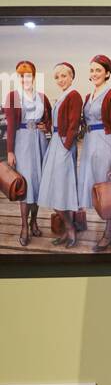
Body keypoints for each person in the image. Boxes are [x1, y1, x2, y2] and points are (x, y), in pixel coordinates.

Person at [77, 54, 111, 251]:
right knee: (93, 187)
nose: (94, 73)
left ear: (107, 73)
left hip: (104, 143)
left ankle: (107, 235)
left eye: (98, 70)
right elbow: (82, 121)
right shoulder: (88, 96)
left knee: (107, 191)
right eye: (92, 70)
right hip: (88, 143)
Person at [3, 60, 50, 247]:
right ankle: (24, 226)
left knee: (38, 184)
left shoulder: (42, 96)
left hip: (39, 142)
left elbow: (49, 119)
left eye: (28, 74)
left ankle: (34, 222)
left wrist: (45, 125)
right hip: (22, 142)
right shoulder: (13, 96)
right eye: (21, 75)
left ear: (34, 75)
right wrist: (10, 152)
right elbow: (11, 127)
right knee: (25, 185)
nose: (25, 78)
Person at [37, 62, 82, 248]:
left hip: (63, 145)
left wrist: (66, 145)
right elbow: (57, 124)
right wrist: (46, 127)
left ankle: (70, 230)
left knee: (62, 187)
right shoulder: (62, 96)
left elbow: (73, 124)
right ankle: (67, 228)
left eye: (64, 76)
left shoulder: (74, 95)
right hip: (55, 144)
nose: (60, 80)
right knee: (52, 187)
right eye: (57, 77)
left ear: (71, 77)